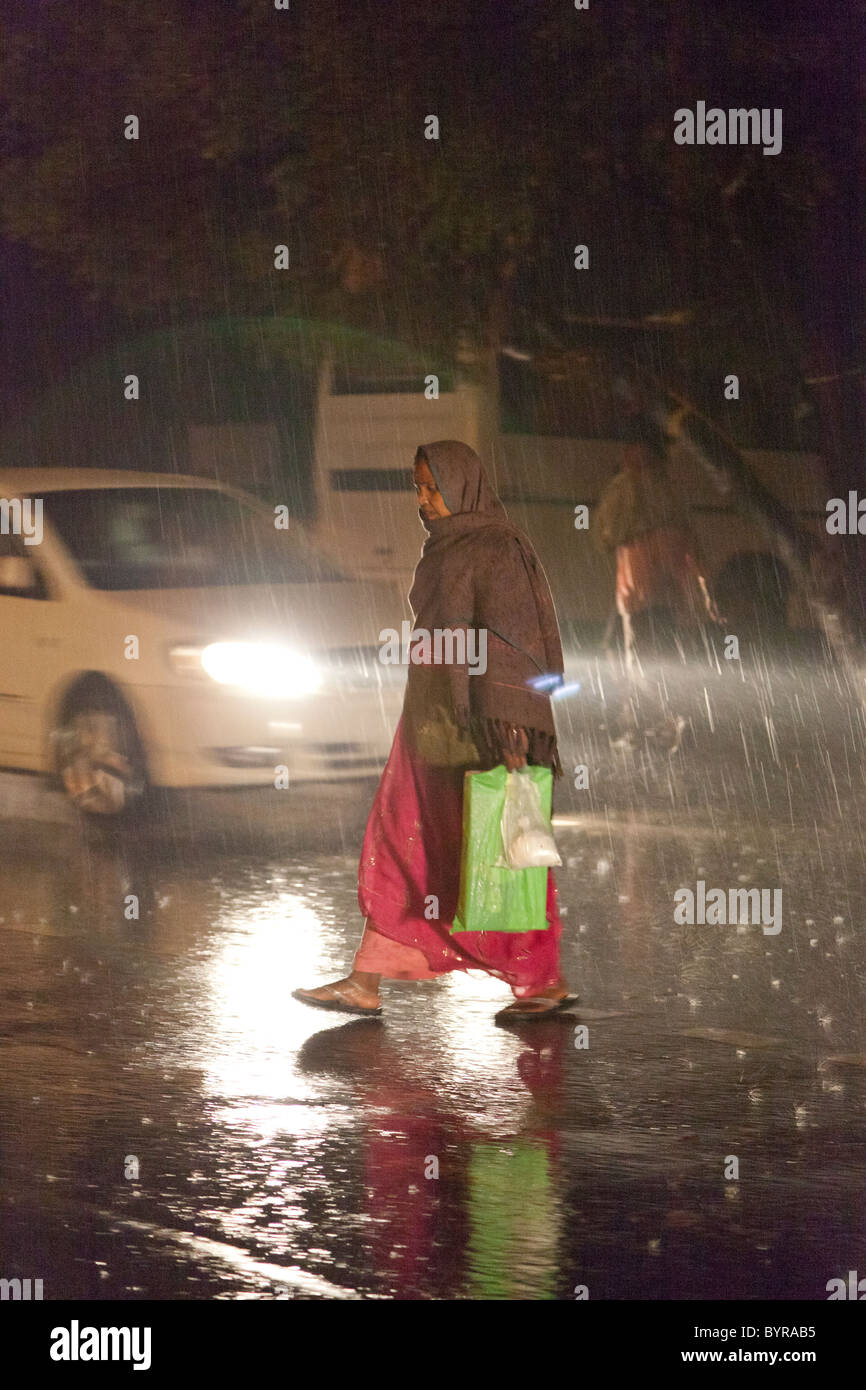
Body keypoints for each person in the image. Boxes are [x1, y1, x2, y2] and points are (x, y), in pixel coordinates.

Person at [293, 440, 576, 1022]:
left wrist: (514, 735)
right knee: (405, 841)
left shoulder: (497, 549)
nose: (422, 500)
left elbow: (517, 648)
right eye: (417, 487)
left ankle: (542, 979)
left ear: (462, 485)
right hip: (429, 723)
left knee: (500, 851)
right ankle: (365, 980)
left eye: (432, 487)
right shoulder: (449, 548)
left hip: (481, 729)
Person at [595, 419, 721, 749]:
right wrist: (704, 589)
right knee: (646, 655)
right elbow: (689, 540)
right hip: (658, 591)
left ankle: (657, 724)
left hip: (643, 592)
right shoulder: (666, 486)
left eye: (631, 449)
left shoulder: (632, 486)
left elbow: (608, 534)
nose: (626, 455)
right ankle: (648, 722)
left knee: (645, 659)